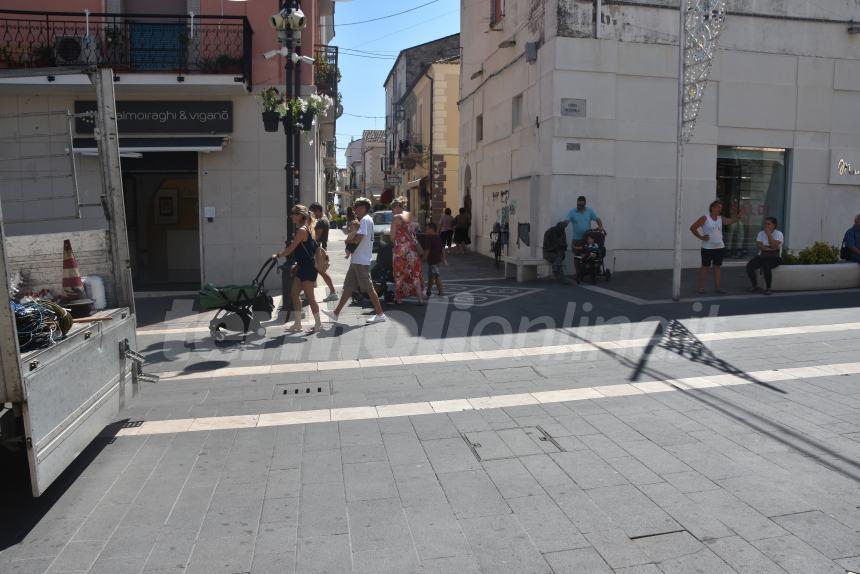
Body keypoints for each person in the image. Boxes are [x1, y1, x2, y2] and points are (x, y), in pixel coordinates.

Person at [322, 197, 386, 324]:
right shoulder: (365, 220)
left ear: (363, 207)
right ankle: (335, 313)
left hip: (361, 261)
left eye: (357, 206)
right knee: (348, 287)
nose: (355, 209)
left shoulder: (365, 220)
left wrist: (348, 241)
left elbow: (359, 238)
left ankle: (380, 314)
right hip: (357, 260)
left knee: (369, 288)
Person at [272, 205, 322, 334]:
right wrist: (297, 264)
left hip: (308, 268)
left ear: (300, 215)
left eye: (294, 213)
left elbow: (291, 248)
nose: (291, 216)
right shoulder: (305, 228)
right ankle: (298, 323)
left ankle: (318, 324)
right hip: (302, 267)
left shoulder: (302, 230)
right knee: (294, 294)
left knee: (310, 298)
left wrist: (278, 255)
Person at [690, 199, 738, 294]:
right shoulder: (705, 218)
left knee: (717, 267)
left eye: (721, 208)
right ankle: (701, 288)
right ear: (712, 208)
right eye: (718, 207)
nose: (720, 209)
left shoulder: (721, 219)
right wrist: (701, 237)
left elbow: (732, 220)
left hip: (719, 248)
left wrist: (737, 213)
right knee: (705, 268)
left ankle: (718, 287)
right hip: (707, 248)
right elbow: (693, 228)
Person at [390, 196, 426, 304]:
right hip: (412, 249)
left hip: (400, 250)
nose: (393, 211)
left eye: (393, 208)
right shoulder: (410, 215)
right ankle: (420, 298)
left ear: (396, 207)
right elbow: (415, 231)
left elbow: (392, 236)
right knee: (415, 274)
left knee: (399, 274)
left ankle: (399, 298)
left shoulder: (396, 217)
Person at [567, 196, 604, 279]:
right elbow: (567, 220)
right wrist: (563, 224)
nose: (579, 206)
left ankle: (591, 271)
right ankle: (579, 274)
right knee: (577, 256)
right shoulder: (572, 212)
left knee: (590, 255)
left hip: (588, 239)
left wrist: (600, 226)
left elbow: (597, 219)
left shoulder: (589, 211)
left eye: (581, 205)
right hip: (577, 239)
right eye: (578, 205)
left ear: (585, 204)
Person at [746, 217, 783, 295]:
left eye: (768, 224)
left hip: (774, 257)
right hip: (762, 256)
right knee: (749, 266)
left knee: (766, 266)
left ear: (774, 225)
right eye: (765, 224)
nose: (766, 226)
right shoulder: (761, 233)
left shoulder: (779, 234)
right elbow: (759, 246)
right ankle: (754, 285)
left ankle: (768, 288)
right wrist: (769, 249)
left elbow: (773, 245)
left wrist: (769, 234)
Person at [309, 202, 338, 302]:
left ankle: (333, 292)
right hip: (320, 249)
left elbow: (317, 236)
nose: (312, 214)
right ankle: (308, 292)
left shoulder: (321, 221)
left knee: (322, 272)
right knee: (315, 272)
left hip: (319, 250)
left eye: (313, 212)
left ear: (318, 211)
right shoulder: (324, 219)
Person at [421, 222, 447, 296]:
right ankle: (428, 290)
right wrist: (444, 259)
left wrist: (423, 259)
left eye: (427, 229)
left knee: (436, 276)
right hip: (437, 259)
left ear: (432, 229)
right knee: (431, 276)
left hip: (433, 260)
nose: (426, 231)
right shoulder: (438, 237)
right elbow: (442, 248)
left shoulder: (429, 238)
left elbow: (427, 250)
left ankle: (441, 291)